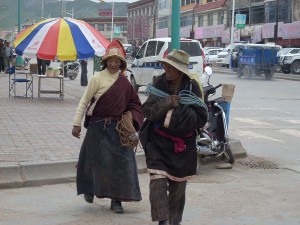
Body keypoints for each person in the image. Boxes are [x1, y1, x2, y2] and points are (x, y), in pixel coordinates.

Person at [72, 40, 144, 214]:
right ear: (105, 62)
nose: (113, 64)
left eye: (116, 61)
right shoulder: (96, 78)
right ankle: (89, 189)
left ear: (121, 63)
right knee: (93, 162)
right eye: (110, 60)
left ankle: (117, 200)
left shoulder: (125, 83)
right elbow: (84, 101)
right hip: (97, 128)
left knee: (121, 163)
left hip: (118, 129)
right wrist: (76, 124)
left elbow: (135, 104)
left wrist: (132, 120)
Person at [139, 49, 208, 225]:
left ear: (180, 71)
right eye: (165, 67)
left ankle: (174, 221)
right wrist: (167, 102)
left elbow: (200, 116)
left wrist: (179, 113)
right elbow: (148, 111)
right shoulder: (159, 83)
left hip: (183, 146)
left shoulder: (192, 87)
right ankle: (163, 220)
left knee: (178, 187)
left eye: (171, 68)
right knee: (158, 182)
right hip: (158, 143)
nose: (167, 71)